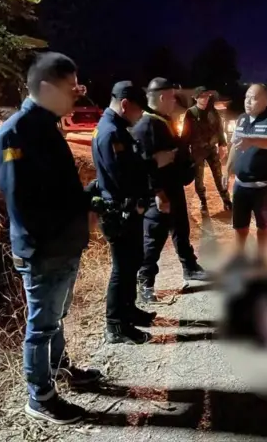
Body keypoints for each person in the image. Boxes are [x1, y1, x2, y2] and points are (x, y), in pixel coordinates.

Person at [0, 52, 100, 424]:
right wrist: (62, 232)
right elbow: (23, 205)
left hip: (63, 246)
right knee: (41, 327)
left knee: (56, 318)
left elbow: (58, 191)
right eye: (71, 87)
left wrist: (87, 203)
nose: (77, 94)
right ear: (46, 88)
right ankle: (40, 396)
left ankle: (59, 369)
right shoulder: (17, 133)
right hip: (43, 251)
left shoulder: (46, 127)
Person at [91, 81, 174, 344]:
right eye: (139, 109)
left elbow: (130, 165)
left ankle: (129, 310)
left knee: (132, 262)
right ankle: (116, 325)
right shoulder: (110, 133)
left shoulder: (116, 128)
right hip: (120, 212)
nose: (141, 115)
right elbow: (121, 176)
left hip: (128, 209)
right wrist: (153, 163)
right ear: (125, 104)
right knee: (123, 268)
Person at [132, 77, 208, 302]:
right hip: (160, 192)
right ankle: (145, 282)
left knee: (180, 229)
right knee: (154, 238)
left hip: (172, 186)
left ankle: (190, 267)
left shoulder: (162, 120)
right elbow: (145, 165)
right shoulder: (147, 125)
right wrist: (158, 193)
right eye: (172, 97)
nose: (175, 101)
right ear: (163, 97)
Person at [224, 83, 267, 257]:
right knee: (240, 226)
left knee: (263, 227)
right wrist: (227, 170)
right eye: (247, 97)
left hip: (263, 187)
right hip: (241, 185)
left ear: (265, 101)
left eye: (254, 98)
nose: (248, 101)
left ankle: (261, 259)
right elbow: (234, 146)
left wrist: (250, 140)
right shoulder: (242, 119)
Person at [181, 86, 232, 215]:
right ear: (196, 98)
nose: (205, 99)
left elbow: (219, 128)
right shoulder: (191, 113)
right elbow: (185, 134)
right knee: (199, 179)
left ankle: (226, 200)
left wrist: (222, 144)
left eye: (207, 96)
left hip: (211, 148)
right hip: (197, 151)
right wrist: (183, 151)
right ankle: (203, 202)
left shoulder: (212, 111)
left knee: (218, 176)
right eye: (202, 96)